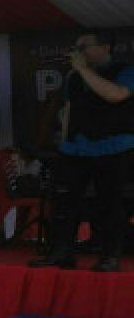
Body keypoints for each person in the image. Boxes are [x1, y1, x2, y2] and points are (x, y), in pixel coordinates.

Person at [31, 31, 134, 272]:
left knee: (109, 202)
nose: (77, 52)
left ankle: (110, 255)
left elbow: (115, 95)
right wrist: (63, 140)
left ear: (105, 47)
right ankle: (61, 252)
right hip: (76, 147)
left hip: (113, 146)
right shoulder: (73, 77)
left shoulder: (125, 71)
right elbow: (68, 109)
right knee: (64, 201)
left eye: (83, 47)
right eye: (76, 47)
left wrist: (83, 70)